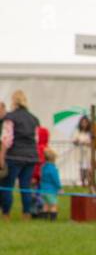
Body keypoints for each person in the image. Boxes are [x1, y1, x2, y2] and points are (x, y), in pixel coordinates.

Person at [1, 91, 42, 220]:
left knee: (7, 186)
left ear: (14, 101)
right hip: (30, 157)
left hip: (14, 156)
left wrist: (1, 156)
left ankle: (6, 214)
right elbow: (36, 139)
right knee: (26, 186)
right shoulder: (34, 118)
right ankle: (26, 214)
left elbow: (7, 139)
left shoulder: (10, 117)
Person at [35, 145, 61, 219]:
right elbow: (56, 180)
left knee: (45, 205)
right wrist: (59, 188)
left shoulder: (43, 167)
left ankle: (44, 218)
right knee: (53, 205)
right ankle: (53, 219)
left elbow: (41, 177)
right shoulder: (53, 169)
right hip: (51, 190)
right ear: (54, 159)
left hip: (43, 190)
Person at [73, 114, 94, 185]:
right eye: (82, 122)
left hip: (88, 153)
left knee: (89, 167)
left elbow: (93, 143)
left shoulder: (90, 133)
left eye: (85, 122)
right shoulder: (78, 132)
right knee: (82, 167)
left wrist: (87, 143)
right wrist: (77, 142)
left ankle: (90, 182)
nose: (84, 124)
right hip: (80, 153)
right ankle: (82, 181)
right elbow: (74, 141)